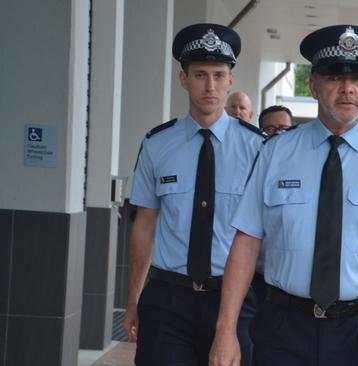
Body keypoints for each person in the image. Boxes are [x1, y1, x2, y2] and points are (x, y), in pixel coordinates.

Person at [209, 24, 358, 366]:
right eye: (334, 77)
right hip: (285, 329)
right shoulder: (275, 153)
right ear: (313, 85)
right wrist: (225, 329)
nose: (347, 88)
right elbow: (246, 243)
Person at [124, 23, 265, 366]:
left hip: (236, 299)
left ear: (231, 80)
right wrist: (133, 299)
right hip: (168, 299)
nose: (211, 86)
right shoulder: (157, 144)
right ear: (184, 80)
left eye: (219, 75)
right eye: (200, 75)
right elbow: (145, 224)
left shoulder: (258, 148)